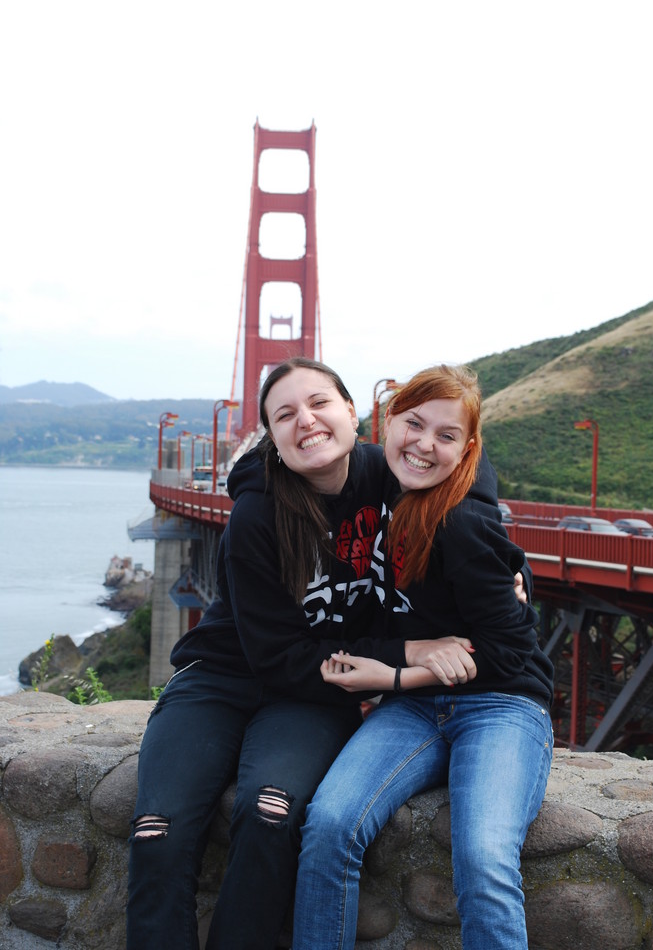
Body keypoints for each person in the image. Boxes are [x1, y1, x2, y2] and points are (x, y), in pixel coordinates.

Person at [126, 357, 479, 950]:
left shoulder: (388, 471)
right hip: (226, 676)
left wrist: (511, 572)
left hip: (313, 696)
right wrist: (408, 649)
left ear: (352, 412)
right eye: (284, 415)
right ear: (272, 437)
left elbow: (463, 466)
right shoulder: (256, 516)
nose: (306, 421)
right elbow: (279, 658)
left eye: (319, 403)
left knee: (270, 813)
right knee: (156, 830)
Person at [292, 364, 554, 950]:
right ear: (389, 421)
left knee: (484, 856)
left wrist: (396, 674)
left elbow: (511, 651)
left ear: (466, 449)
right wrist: (517, 575)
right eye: (414, 424)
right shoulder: (381, 477)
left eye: (446, 436)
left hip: (499, 704)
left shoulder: (461, 520)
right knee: (330, 824)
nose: (424, 445)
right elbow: (263, 470)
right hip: (415, 709)